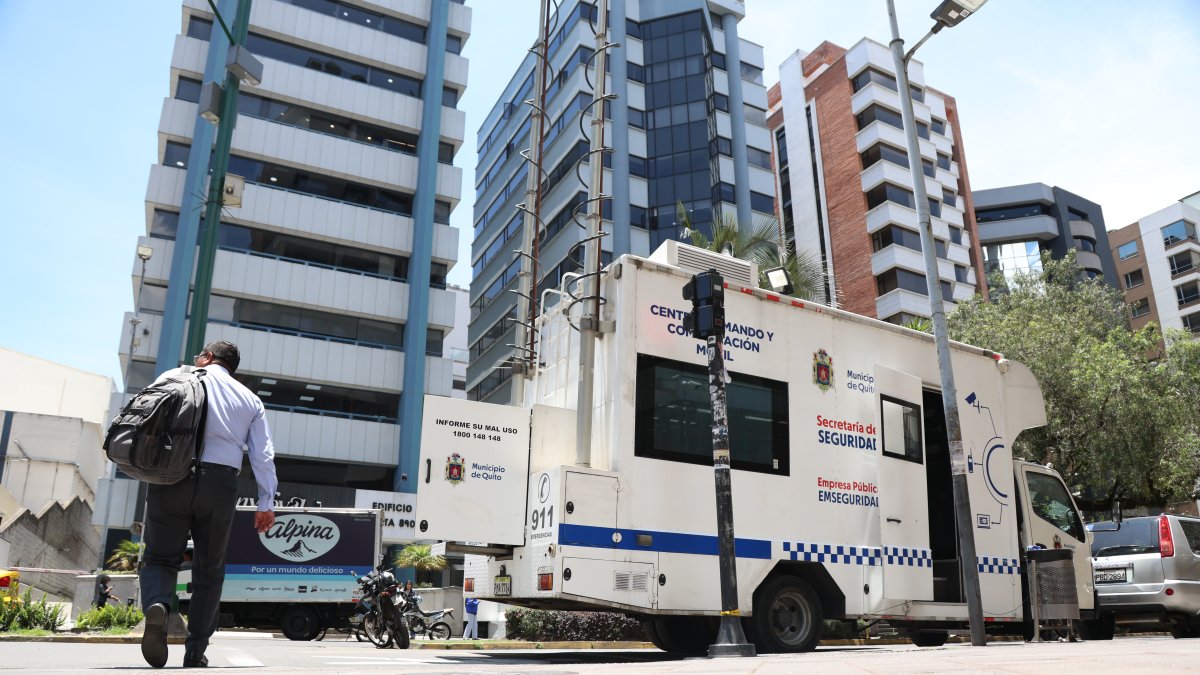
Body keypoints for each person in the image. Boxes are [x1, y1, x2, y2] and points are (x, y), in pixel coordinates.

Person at [139, 340, 278, 669]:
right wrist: (265, 502)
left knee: (160, 557)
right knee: (210, 569)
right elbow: (263, 455)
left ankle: (158, 604)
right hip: (220, 484)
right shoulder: (250, 399)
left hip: (170, 477)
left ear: (208, 357)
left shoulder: (176, 377)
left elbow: (143, 414)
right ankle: (195, 649)